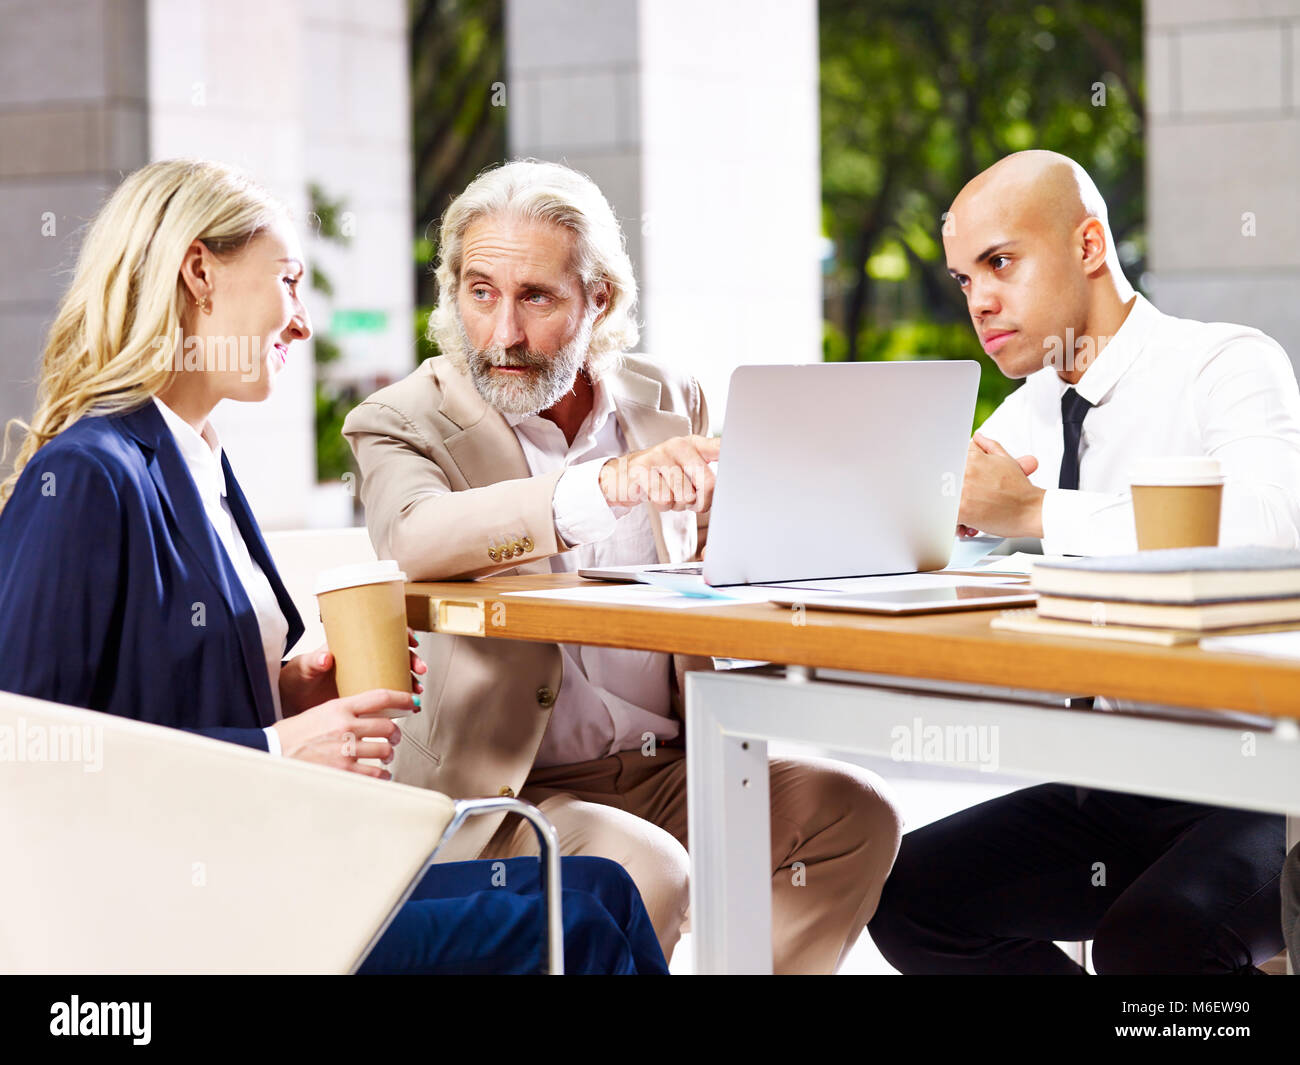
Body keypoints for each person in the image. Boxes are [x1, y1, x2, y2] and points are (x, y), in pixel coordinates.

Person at [0, 158, 668, 975]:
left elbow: (159, 683)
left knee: (601, 890)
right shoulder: (90, 475)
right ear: (199, 274)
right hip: (185, 911)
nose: (301, 324)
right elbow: (29, 757)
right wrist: (278, 748)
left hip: (268, 864)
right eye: (287, 280)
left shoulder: (198, 458)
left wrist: (291, 688)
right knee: (578, 927)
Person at [342, 159, 902, 973]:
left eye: (536, 296)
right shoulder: (402, 419)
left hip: (674, 767)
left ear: (597, 298)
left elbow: (725, 572)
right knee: (648, 868)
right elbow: (413, 538)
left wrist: (755, 528)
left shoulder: (672, 396)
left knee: (856, 814)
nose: (502, 333)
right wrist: (600, 487)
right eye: (480, 291)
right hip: (515, 791)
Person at [869, 150, 1300, 974]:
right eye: (964, 279)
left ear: (1090, 245)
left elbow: (1271, 531)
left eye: (1000, 262)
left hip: (1263, 780)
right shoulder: (1037, 405)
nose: (980, 300)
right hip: (1115, 781)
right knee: (912, 897)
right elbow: (947, 525)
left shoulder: (1225, 364)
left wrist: (1035, 512)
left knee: (1149, 940)